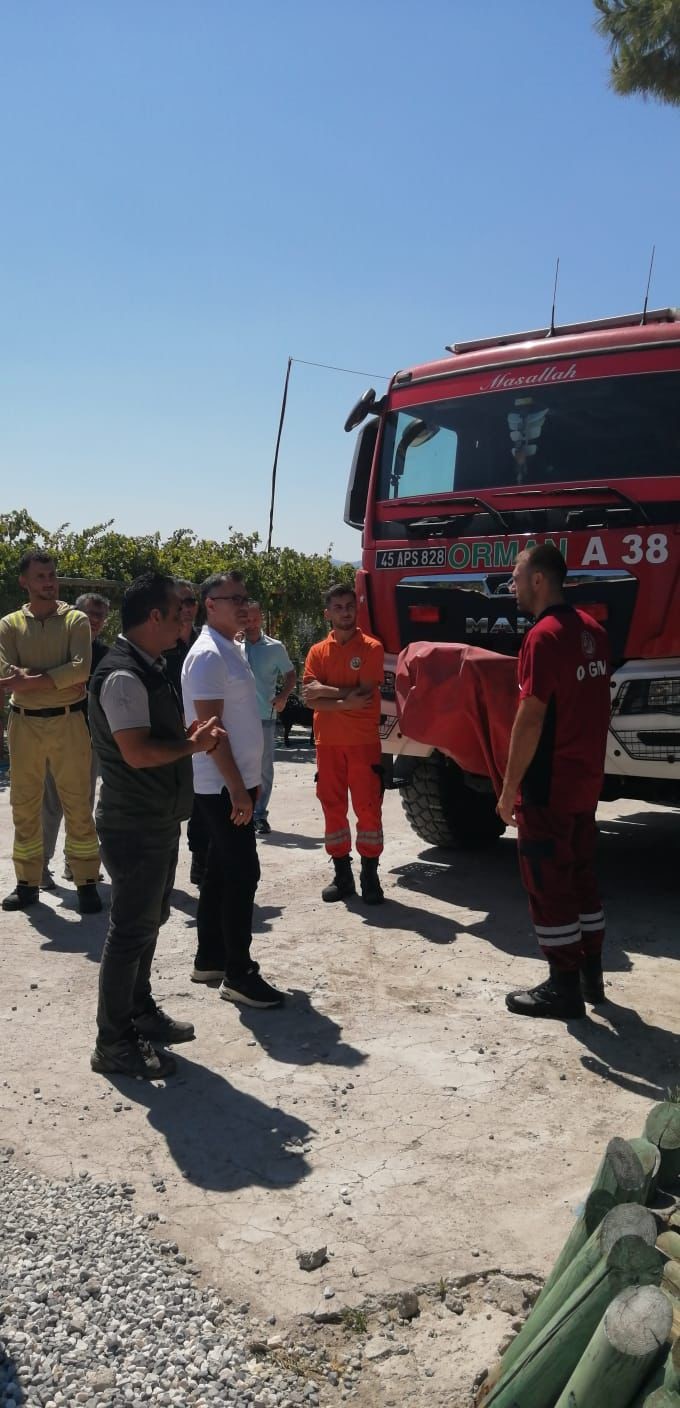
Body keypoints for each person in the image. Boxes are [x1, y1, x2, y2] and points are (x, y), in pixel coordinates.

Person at [88, 572, 223, 1080]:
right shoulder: (124, 675)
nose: (185, 616)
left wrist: (186, 736)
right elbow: (138, 752)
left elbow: (153, 737)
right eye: (179, 608)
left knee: (150, 921)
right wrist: (193, 745)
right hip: (134, 822)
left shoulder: (151, 665)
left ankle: (138, 1012)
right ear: (153, 618)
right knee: (130, 931)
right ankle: (113, 1042)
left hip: (156, 817)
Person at [497, 544, 611, 1021]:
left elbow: (531, 718)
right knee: (581, 875)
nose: (512, 586)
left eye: (516, 576)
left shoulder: (542, 638)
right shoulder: (594, 632)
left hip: (547, 785)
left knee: (548, 883)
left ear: (539, 579)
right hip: (584, 782)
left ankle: (563, 988)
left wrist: (507, 789)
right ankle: (591, 975)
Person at [181, 571, 285, 1007]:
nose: (243, 606)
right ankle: (239, 974)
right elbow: (212, 731)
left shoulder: (231, 647)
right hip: (223, 788)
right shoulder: (208, 656)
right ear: (209, 605)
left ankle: (210, 958)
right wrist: (239, 791)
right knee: (244, 874)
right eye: (232, 599)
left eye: (245, 598)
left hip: (237, 784)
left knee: (223, 872)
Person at [0, 551, 102, 914]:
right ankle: (27, 882)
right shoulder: (9, 625)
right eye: (41, 576)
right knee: (24, 804)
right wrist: (51, 681)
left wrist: (25, 681)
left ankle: (86, 881)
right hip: (24, 723)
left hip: (68, 722)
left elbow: (80, 670)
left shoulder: (75, 620)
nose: (49, 581)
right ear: (24, 582)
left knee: (78, 803)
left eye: (52, 575)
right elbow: (3, 674)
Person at [303, 584, 385, 905]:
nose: (345, 612)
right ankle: (343, 876)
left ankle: (370, 876)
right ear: (328, 613)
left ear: (356, 609)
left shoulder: (371, 648)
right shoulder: (316, 652)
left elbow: (364, 696)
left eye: (349, 605)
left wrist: (327, 695)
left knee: (367, 809)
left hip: (363, 744)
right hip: (328, 745)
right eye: (338, 607)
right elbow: (310, 696)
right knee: (332, 808)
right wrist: (343, 698)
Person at [41, 592, 111, 889]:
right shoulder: (56, 649)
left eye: (100, 616)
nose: (95, 621)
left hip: (89, 739)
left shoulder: (106, 654)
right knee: (51, 805)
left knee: (82, 805)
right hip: (55, 736)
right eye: (90, 614)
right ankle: (38, 868)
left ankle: (75, 864)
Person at [163, 580, 210, 886]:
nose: (187, 607)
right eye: (181, 602)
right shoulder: (157, 644)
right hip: (165, 733)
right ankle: (164, 873)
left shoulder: (204, 642)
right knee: (165, 804)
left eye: (191, 601)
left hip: (199, 732)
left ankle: (199, 860)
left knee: (201, 802)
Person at [243, 600, 296, 834]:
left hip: (265, 715)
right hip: (236, 718)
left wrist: (283, 696)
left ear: (261, 618)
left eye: (255, 618)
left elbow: (291, 675)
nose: (251, 624)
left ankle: (259, 814)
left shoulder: (275, 648)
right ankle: (239, 810)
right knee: (236, 765)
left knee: (264, 768)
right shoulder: (231, 645)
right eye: (246, 619)